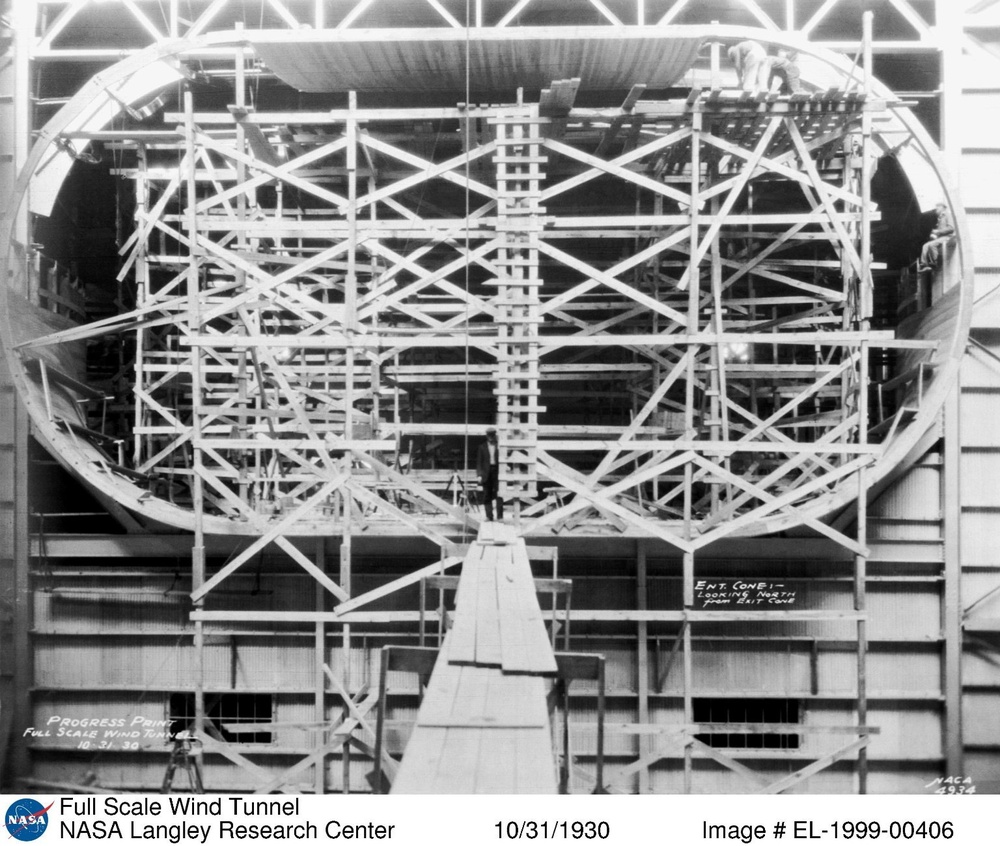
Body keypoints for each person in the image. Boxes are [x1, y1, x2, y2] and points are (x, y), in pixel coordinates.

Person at [476, 427, 503, 522]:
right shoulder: (482, 447)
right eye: (489, 435)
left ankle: (500, 517)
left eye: (492, 435)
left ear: (494, 435)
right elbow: (479, 462)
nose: (491, 437)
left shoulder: (499, 446)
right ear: (487, 436)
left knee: (499, 494)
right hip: (486, 473)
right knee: (487, 494)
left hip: (497, 471)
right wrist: (479, 475)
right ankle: (489, 516)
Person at [919, 201, 955, 270]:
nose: (936, 209)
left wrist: (938, 231)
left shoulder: (947, 215)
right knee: (925, 246)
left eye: (938, 207)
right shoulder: (940, 218)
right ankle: (924, 264)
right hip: (940, 238)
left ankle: (935, 262)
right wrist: (934, 235)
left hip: (947, 237)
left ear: (943, 208)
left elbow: (951, 228)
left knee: (932, 245)